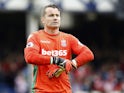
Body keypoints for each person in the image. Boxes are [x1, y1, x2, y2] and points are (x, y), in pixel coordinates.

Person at [24, 4, 94, 93]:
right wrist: (57, 60)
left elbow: (88, 54)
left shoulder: (68, 38)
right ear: (43, 20)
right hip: (42, 90)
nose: (55, 18)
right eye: (51, 15)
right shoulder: (35, 36)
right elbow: (30, 57)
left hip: (64, 90)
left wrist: (71, 63)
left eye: (57, 15)